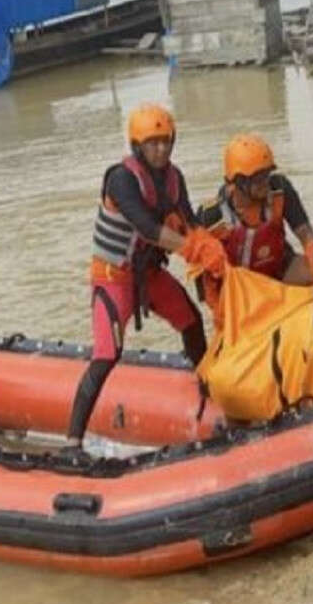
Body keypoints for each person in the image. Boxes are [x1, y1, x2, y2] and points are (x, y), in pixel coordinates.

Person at [70, 103, 226, 452]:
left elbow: (187, 221)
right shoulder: (121, 179)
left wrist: (210, 248)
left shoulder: (174, 178)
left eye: (166, 142)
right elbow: (148, 227)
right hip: (113, 277)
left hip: (149, 274)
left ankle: (208, 392)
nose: (161, 149)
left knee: (191, 321)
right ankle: (72, 441)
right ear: (138, 146)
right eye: (152, 143)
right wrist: (192, 248)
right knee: (107, 355)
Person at [197, 133, 313, 287]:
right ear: (237, 182)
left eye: (267, 175)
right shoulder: (211, 216)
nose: (266, 183)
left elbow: (306, 234)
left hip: (279, 268)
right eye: (258, 179)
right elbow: (200, 273)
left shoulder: (280, 189)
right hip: (240, 287)